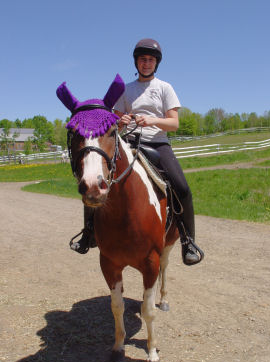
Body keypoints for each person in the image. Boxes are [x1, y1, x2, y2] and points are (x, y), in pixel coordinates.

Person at [71, 38, 203, 265]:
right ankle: (89, 233)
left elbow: (174, 123)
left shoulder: (164, 88)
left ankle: (188, 241)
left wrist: (150, 120)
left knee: (181, 187)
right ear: (136, 62)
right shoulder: (125, 90)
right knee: (97, 178)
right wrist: (120, 120)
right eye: (143, 59)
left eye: (151, 60)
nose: (146, 63)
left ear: (156, 63)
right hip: (128, 143)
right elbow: (113, 125)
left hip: (158, 144)